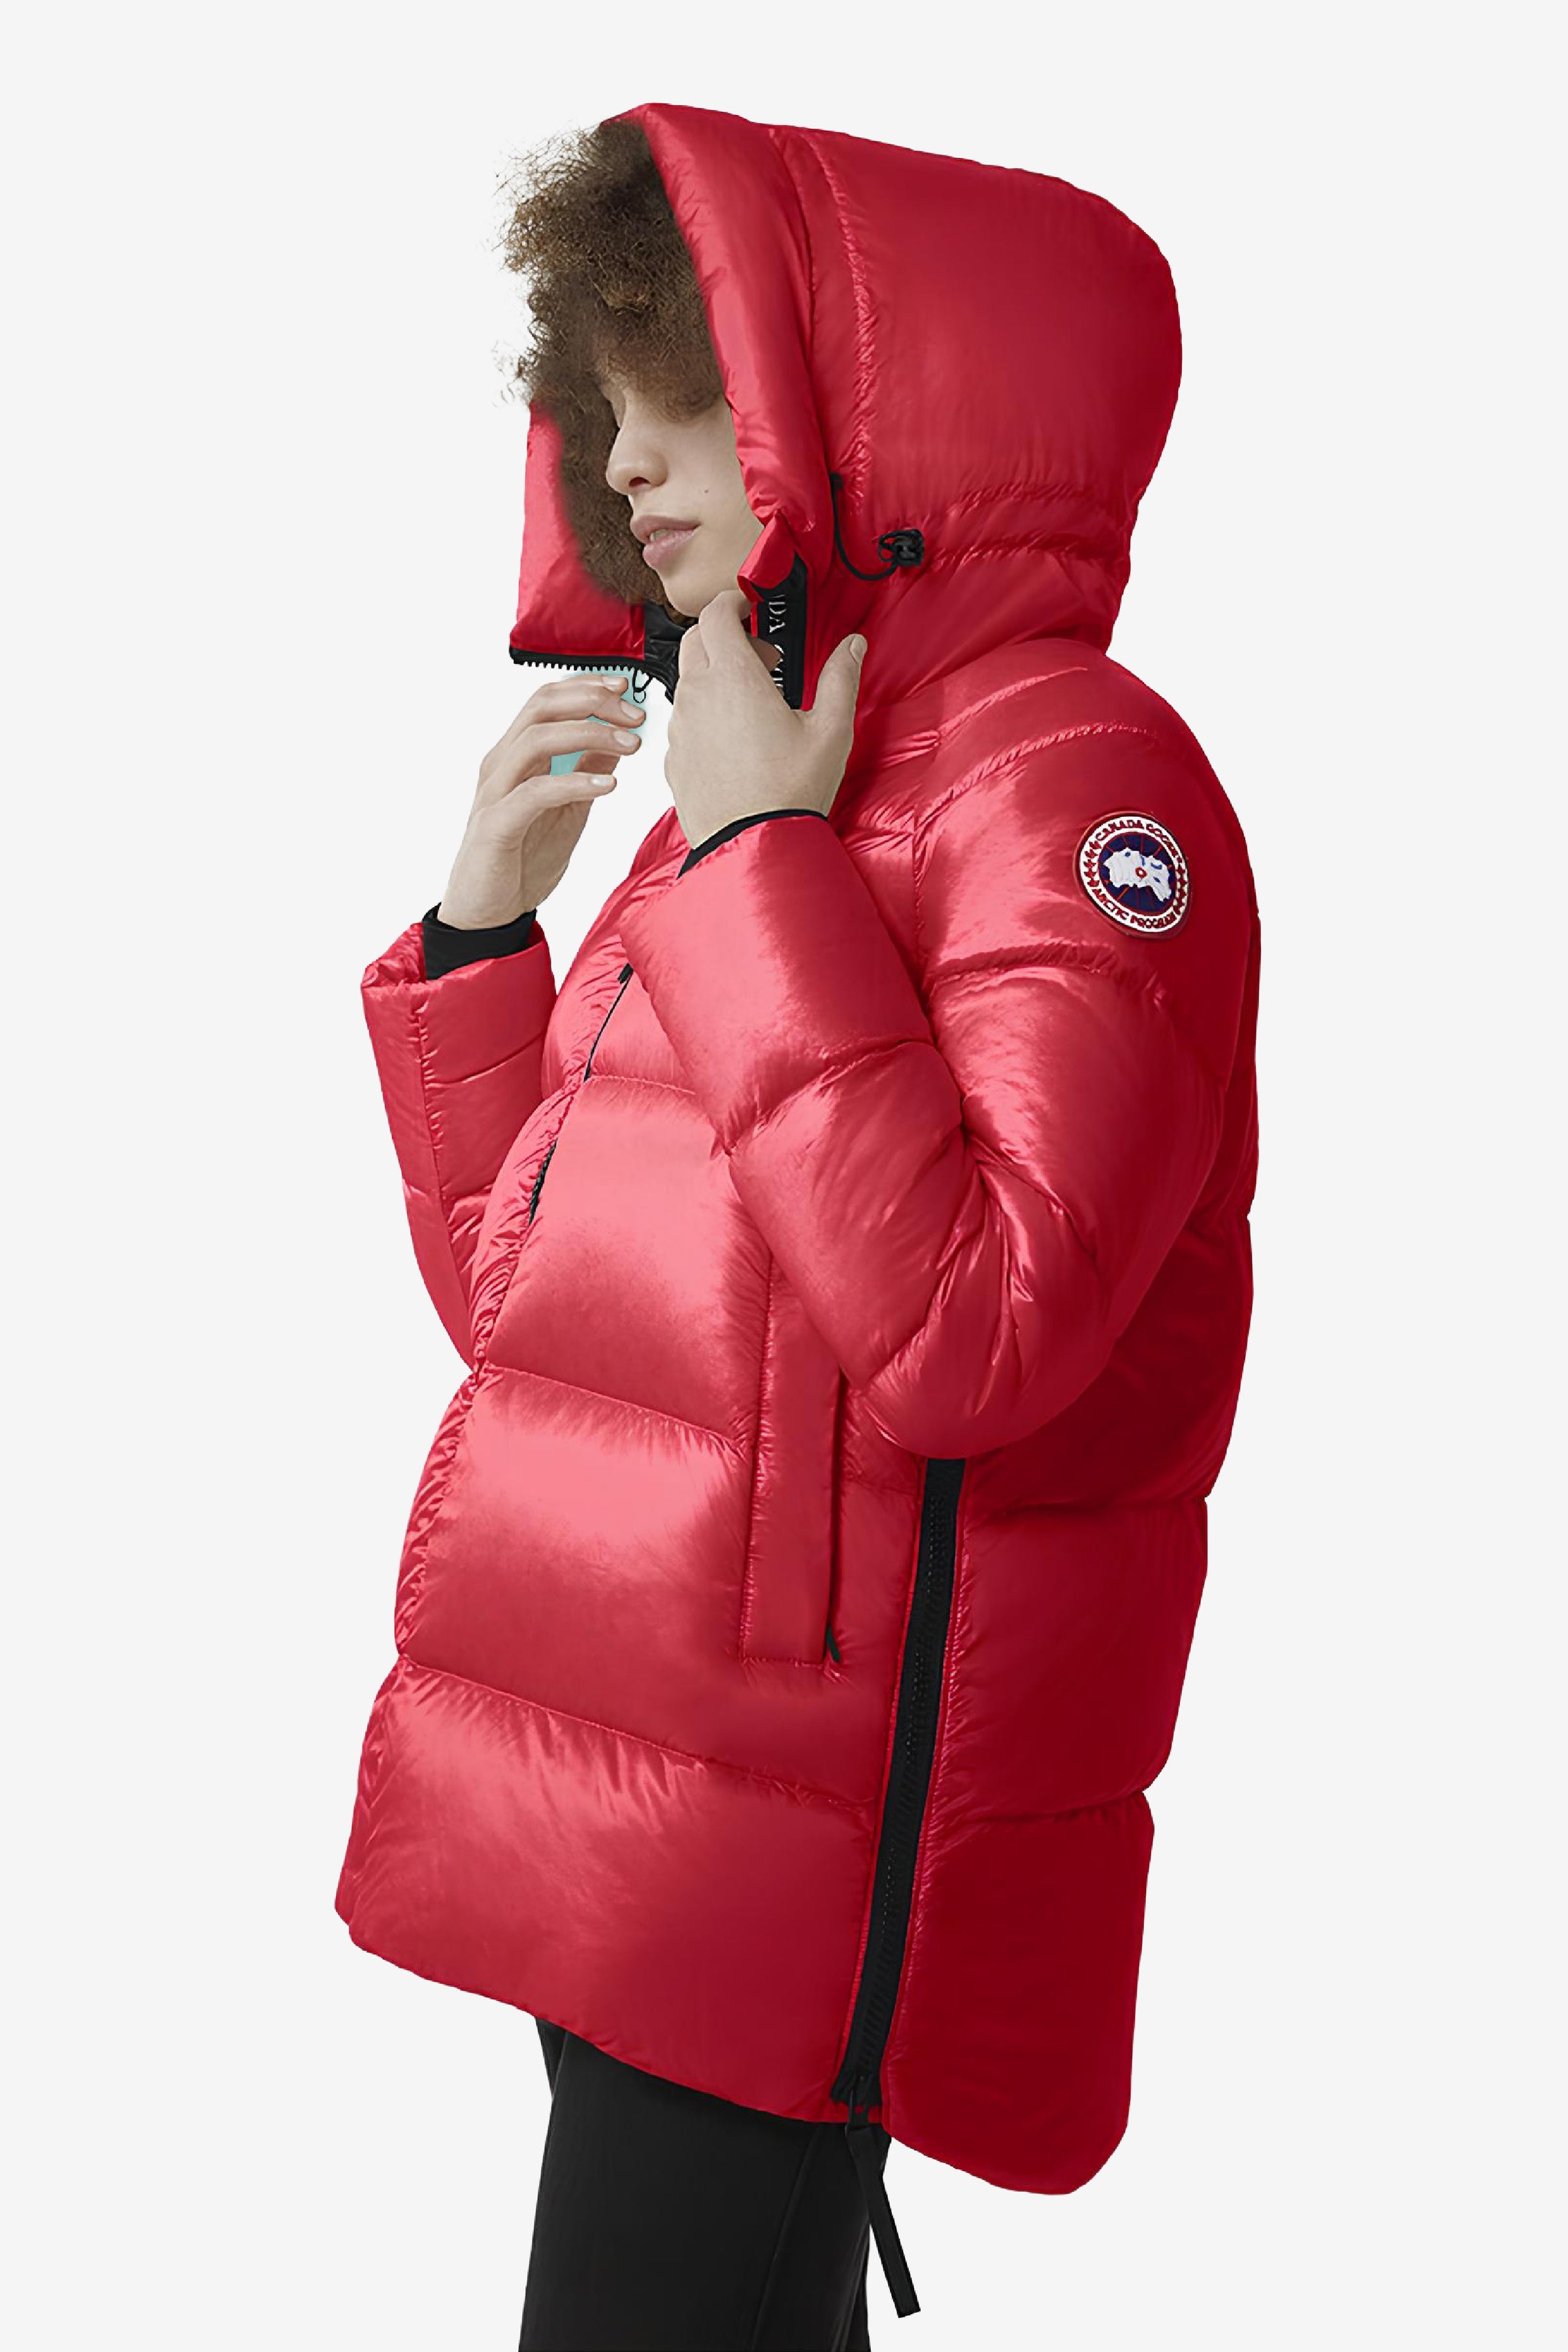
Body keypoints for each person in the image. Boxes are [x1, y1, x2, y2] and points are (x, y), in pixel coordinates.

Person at [335, 102, 1261, 2352]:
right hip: (636, 1798)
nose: (624, 468)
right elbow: (538, 1314)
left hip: (803, 1843)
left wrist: (763, 868)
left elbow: (979, 1338)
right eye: (602, 409)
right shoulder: (751, 787)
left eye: (685, 398)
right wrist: (484, 944)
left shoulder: (1078, 790)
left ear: (860, 422)